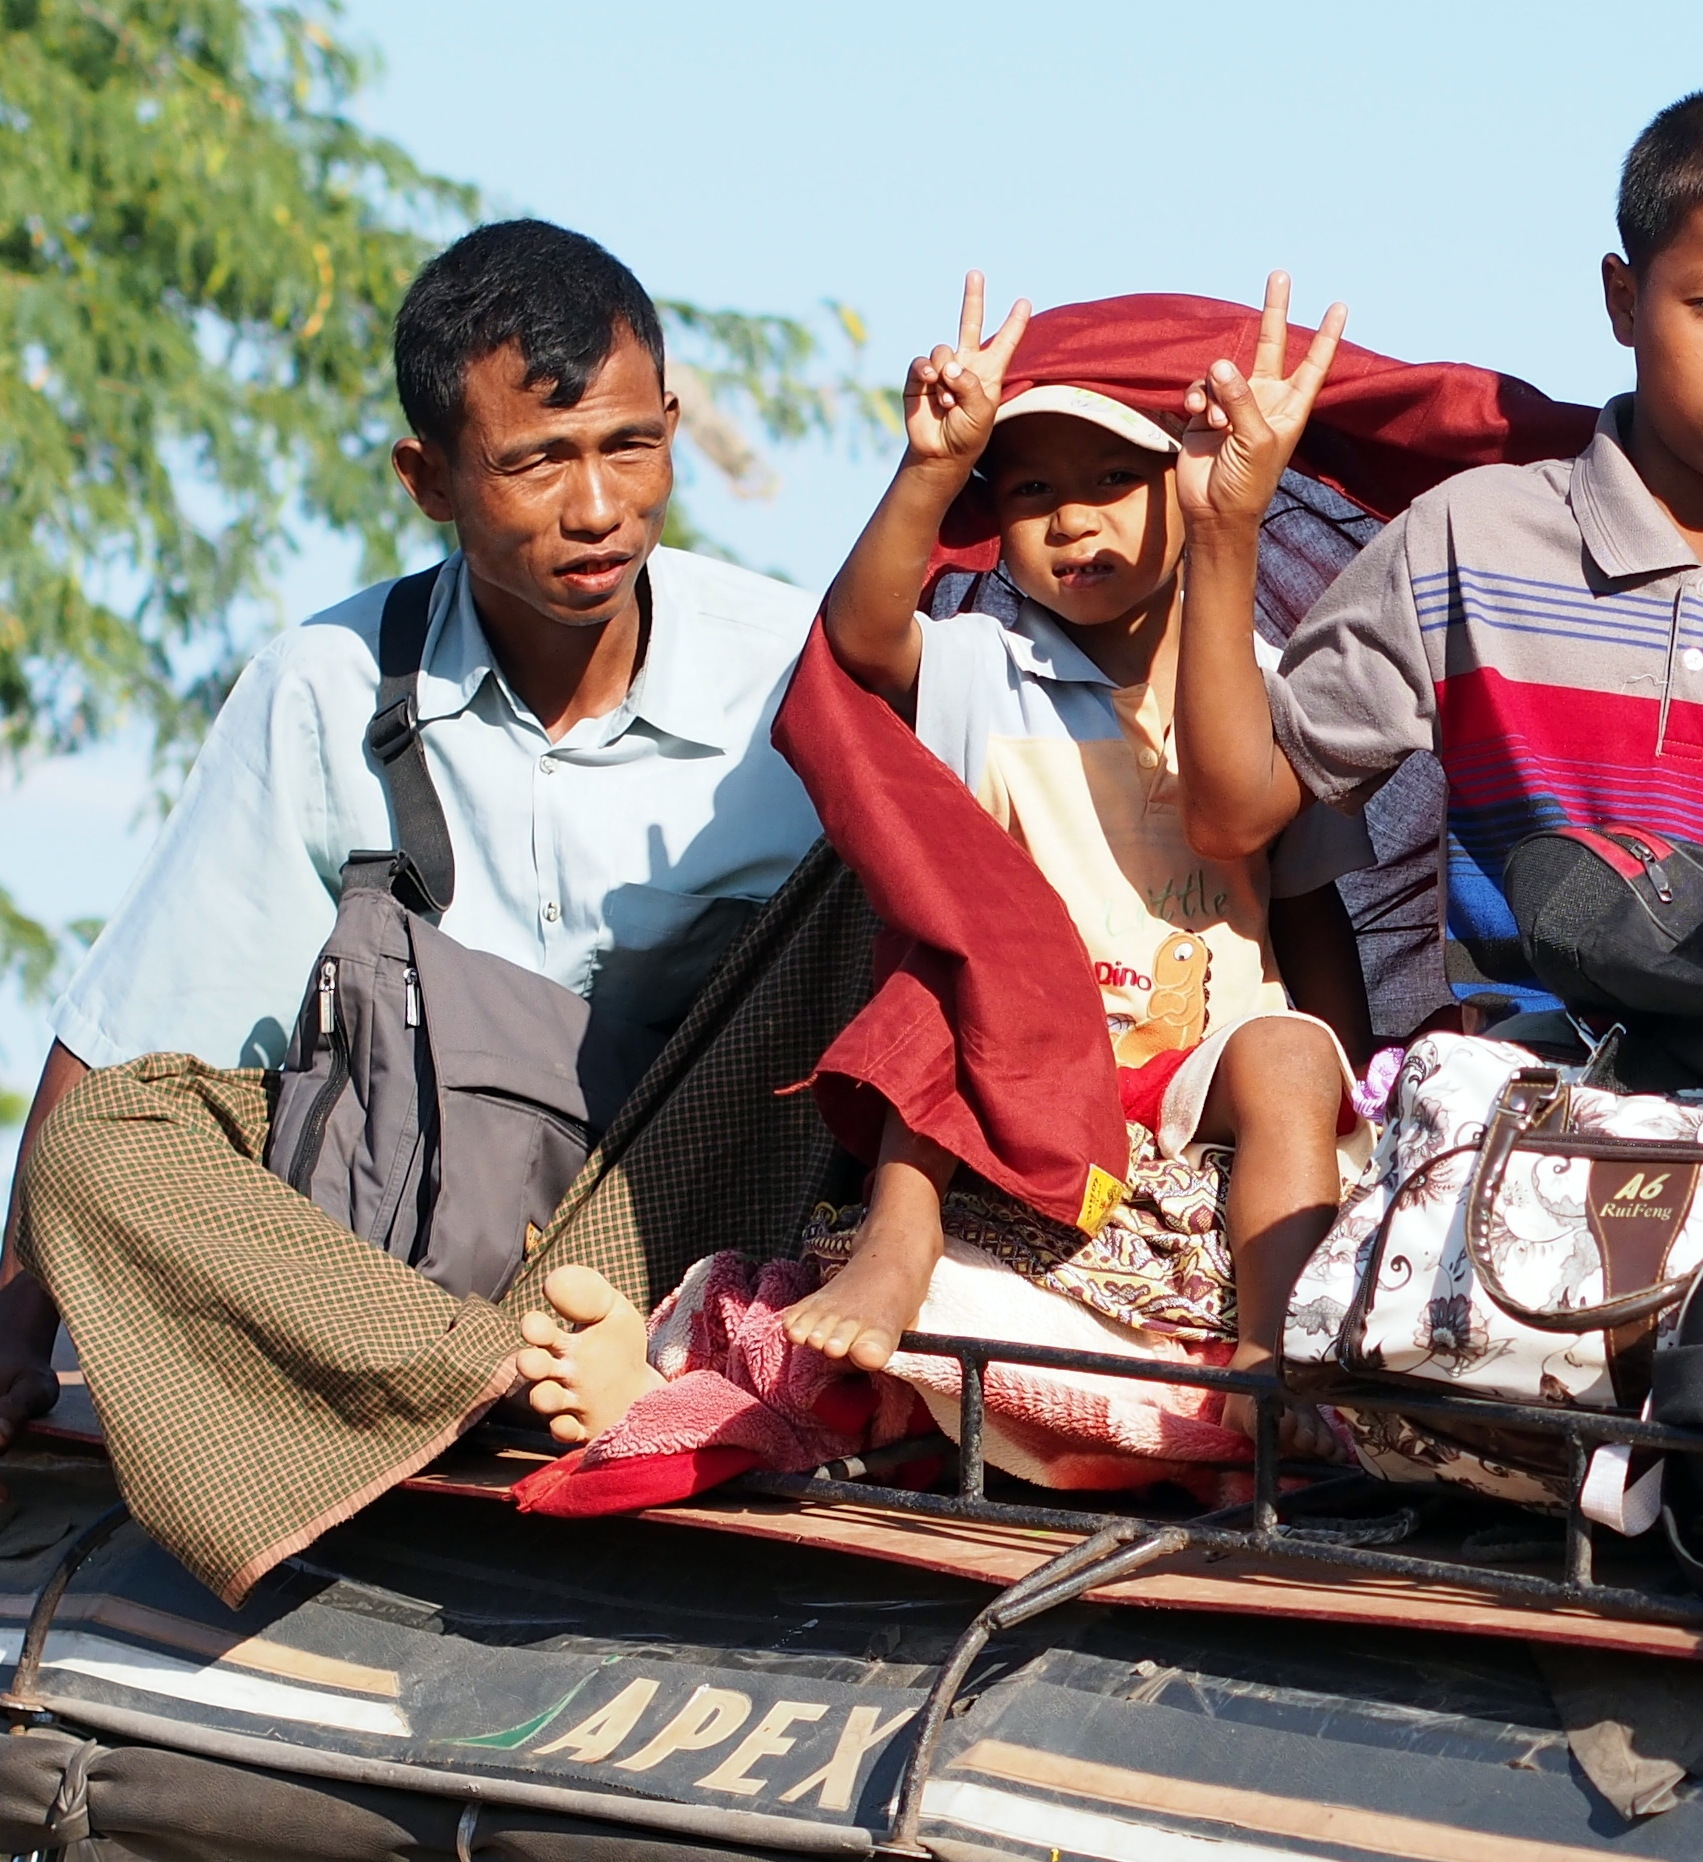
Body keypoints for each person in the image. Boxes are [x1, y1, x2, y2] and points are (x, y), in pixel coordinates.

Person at [0, 221, 852, 1602]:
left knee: (885, 877)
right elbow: (129, 1035)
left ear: (673, 431)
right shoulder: (328, 683)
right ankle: (503, 1381)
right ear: (428, 479)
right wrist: (17, 1322)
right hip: (403, 1286)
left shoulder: (794, 671)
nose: (597, 508)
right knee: (93, 1147)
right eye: (535, 462)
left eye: (629, 447)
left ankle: (672, 1376)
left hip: (687, 1240)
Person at [764, 273, 1368, 1448]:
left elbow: (1311, 911)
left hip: (1206, 1057)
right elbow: (859, 639)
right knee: (932, 988)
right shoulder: (983, 664)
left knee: (1294, 1051)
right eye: (1031, 491)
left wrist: (1359, 1087)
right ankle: (896, 1243)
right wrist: (932, 467)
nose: (1071, 520)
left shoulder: (1258, 678)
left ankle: (1274, 1347)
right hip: (1030, 1042)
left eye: (1109, 484)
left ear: (1185, 488)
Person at [1171, 87, 1703, 1011]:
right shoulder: (1468, 543)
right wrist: (1224, 530)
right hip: (1517, 1110)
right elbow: (1233, 814)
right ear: (1624, 300)